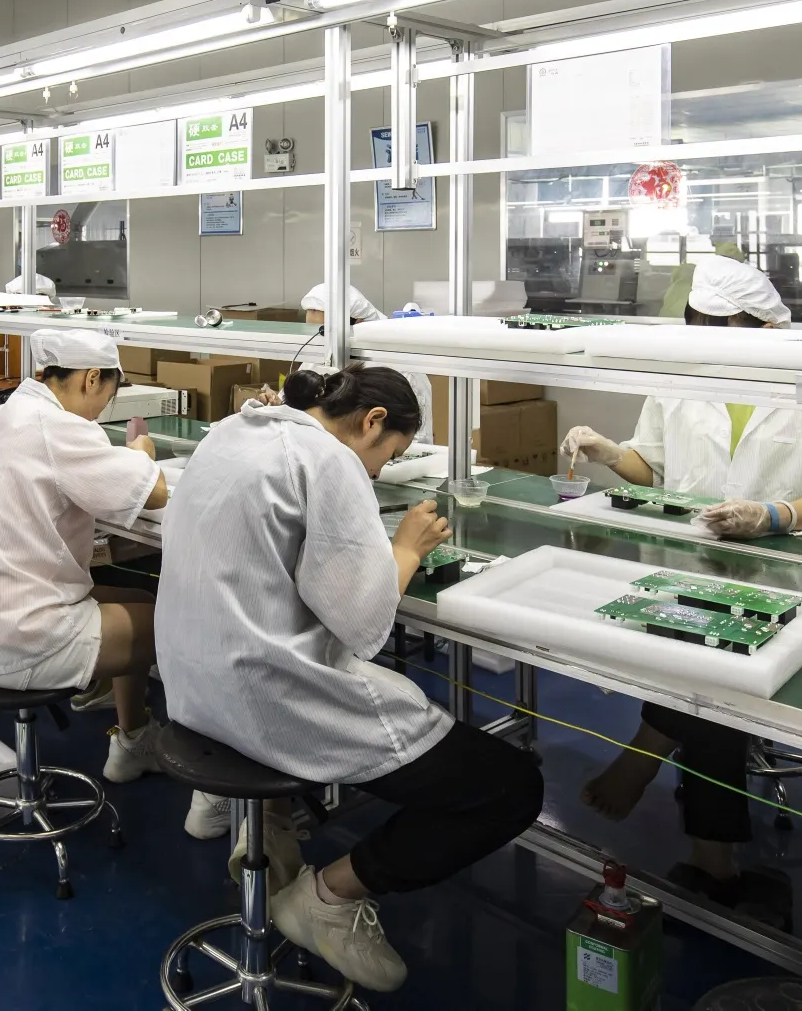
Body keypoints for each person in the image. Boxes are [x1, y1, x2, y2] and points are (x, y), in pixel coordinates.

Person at [157, 365, 544, 992]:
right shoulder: (330, 462)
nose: (380, 472)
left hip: (193, 689)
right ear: (371, 423)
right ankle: (325, 900)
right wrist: (409, 548)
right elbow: (364, 625)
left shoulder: (232, 432)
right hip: (265, 699)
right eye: (389, 455)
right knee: (510, 787)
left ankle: (268, 827)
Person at [560, 254, 802, 922]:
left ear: (761, 325)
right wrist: (609, 452)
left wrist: (775, 516)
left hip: (790, 571)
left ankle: (654, 764)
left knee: (721, 670)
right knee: (706, 658)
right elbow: (654, 469)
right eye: (695, 323)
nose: (703, 336)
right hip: (691, 562)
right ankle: (704, 845)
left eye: (717, 324)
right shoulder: (680, 374)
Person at [0, 330, 170, 782]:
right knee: (188, 626)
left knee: (139, 598)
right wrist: (142, 453)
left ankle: (133, 738)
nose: (102, 408)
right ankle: (213, 790)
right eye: (106, 394)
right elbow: (155, 493)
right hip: (23, 637)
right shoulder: (58, 428)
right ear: (90, 379)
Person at [300, 283, 433, 443]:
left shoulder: (401, 368)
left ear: (357, 322)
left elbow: (416, 439)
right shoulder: (318, 357)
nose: (320, 342)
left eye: (323, 333)